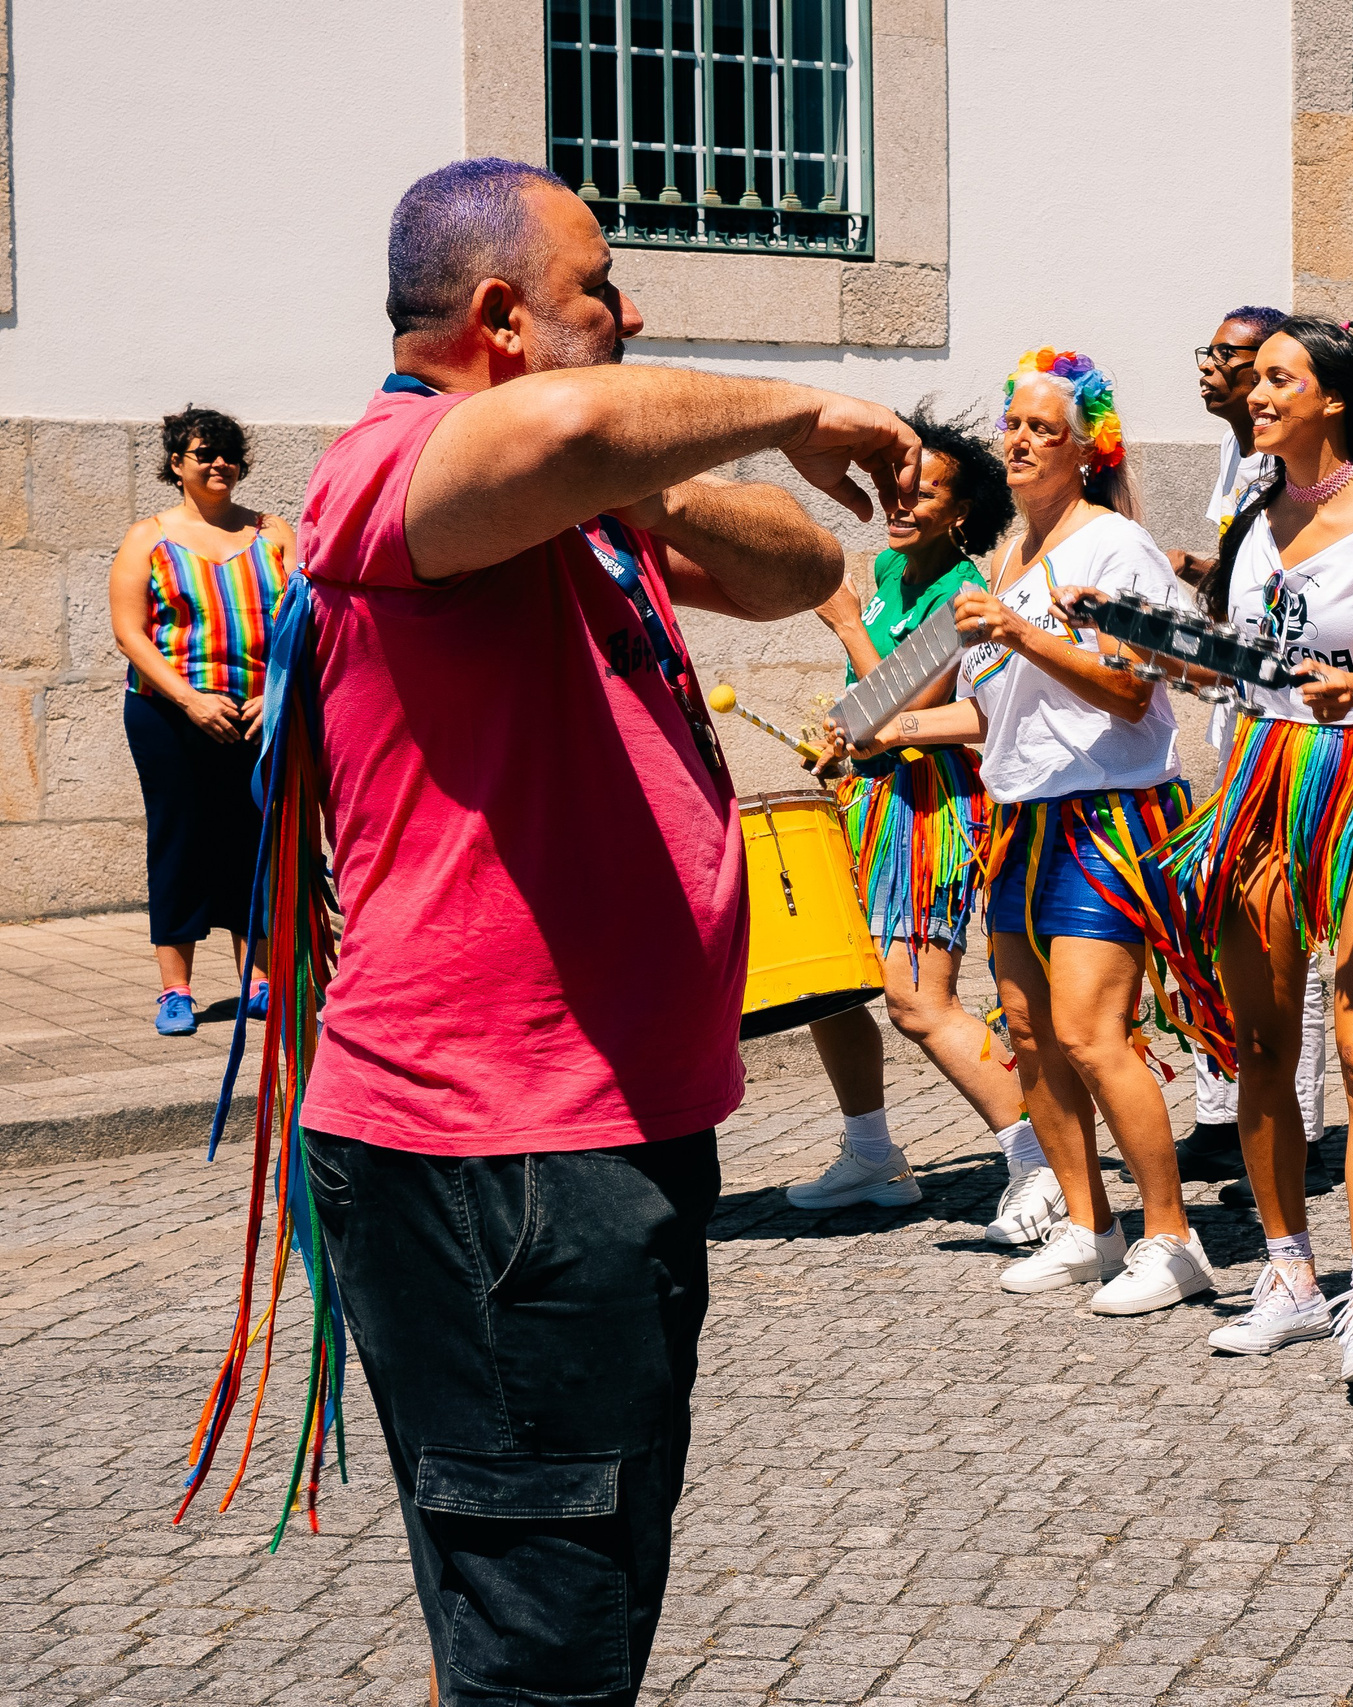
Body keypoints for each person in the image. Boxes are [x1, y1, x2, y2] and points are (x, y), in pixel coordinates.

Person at [288, 158, 920, 1707]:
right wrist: (788, 407)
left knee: (565, 1605)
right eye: (600, 292)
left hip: (604, 1136)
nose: (630, 314)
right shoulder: (393, 464)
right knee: (543, 1639)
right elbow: (570, 422)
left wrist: (668, 484)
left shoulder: (579, 506)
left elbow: (803, 570)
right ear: (502, 318)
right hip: (493, 1155)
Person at [843, 346, 1233, 1316]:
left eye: (1040, 429)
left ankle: (1170, 1238)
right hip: (1019, 818)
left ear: (1084, 450)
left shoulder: (1115, 547)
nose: (1017, 441)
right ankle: (1087, 1228)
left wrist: (1020, 632)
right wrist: (883, 734)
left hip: (1109, 813)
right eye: (1012, 425)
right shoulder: (1010, 558)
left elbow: (1135, 686)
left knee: (1094, 1035)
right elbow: (992, 716)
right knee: (1027, 1033)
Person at [1161, 316, 1353, 1385]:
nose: (1257, 393)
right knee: (1259, 1044)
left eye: (1280, 378)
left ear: (1334, 397)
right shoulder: (1253, 515)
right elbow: (1248, 662)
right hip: (1259, 777)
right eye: (1255, 381)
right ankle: (1289, 1274)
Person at [786, 407, 1045, 1236]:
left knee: (919, 999)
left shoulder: (965, 593)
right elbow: (865, 718)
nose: (898, 506)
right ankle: (871, 1155)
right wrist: (835, 745)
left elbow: (899, 706)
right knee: (825, 983)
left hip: (930, 817)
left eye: (922, 494)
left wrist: (845, 621)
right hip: (870, 804)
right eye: (892, 488)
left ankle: (1040, 1162)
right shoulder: (891, 571)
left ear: (961, 511)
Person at [1164, 304, 1330, 1183]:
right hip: (1241, 716)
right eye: (1222, 355)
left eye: (1232, 356)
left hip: (1302, 731)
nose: (1213, 369)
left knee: (1286, 925)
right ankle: (1229, 1106)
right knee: (1227, 909)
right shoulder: (1240, 461)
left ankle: (1293, 1117)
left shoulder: (1304, 471)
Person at [108, 406, 292, 1036]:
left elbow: (305, 622)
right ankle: (175, 991)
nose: (218, 462)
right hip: (169, 715)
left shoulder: (274, 533)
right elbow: (131, 635)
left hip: (257, 716)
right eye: (202, 453)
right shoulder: (148, 538)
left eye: (228, 452)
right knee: (179, 839)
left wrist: (278, 693)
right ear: (176, 465)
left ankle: (260, 981)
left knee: (255, 840)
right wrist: (190, 699)